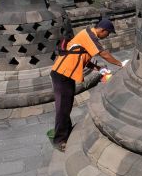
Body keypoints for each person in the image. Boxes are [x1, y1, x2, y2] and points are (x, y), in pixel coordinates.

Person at [50, 18, 126, 152]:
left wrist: (96, 67)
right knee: (63, 107)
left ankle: (66, 132)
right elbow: (104, 54)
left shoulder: (87, 34)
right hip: (62, 74)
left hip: (66, 74)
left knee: (67, 105)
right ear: (103, 30)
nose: (106, 36)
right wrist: (120, 64)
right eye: (107, 34)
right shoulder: (89, 36)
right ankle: (59, 140)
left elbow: (79, 54)